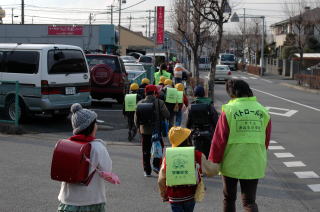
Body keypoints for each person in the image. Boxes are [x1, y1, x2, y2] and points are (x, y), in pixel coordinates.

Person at [209, 79, 272, 212]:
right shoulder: (262, 111)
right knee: (249, 201)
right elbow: (266, 139)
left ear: (232, 94)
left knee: (229, 198)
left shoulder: (229, 110)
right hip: (254, 160)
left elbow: (219, 139)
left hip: (231, 160)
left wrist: (214, 160)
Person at [57, 103, 112, 212]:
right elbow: (107, 170)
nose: (96, 126)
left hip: (67, 201)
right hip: (91, 201)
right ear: (90, 126)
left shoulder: (67, 145)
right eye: (95, 123)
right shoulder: (98, 147)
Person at [158, 127, 219, 212]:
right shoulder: (196, 155)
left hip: (174, 196)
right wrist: (219, 163)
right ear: (187, 140)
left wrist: (164, 193)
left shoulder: (168, 156)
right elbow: (212, 170)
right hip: (190, 194)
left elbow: (161, 179)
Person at [135, 84, 170, 177]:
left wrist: (139, 128)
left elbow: (136, 119)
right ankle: (156, 165)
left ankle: (147, 171)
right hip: (156, 131)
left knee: (145, 151)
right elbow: (167, 114)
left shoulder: (140, 103)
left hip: (144, 131)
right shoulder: (159, 102)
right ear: (155, 92)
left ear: (145, 93)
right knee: (159, 148)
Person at [186, 86, 219, 158]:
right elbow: (216, 121)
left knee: (197, 157)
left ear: (194, 94)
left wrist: (189, 138)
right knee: (208, 156)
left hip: (196, 134)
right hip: (208, 134)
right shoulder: (209, 105)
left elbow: (188, 124)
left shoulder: (191, 106)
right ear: (204, 94)